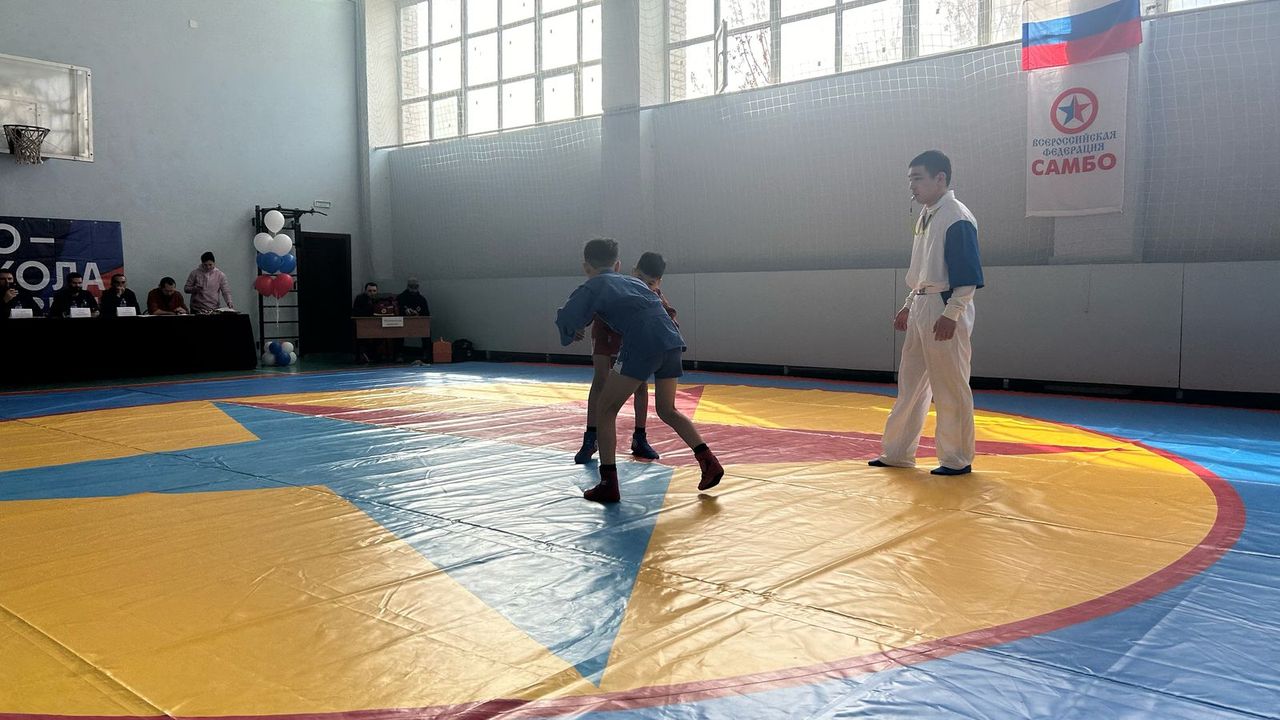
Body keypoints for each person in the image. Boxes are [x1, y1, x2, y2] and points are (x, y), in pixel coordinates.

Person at [556, 238, 723, 503]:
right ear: (618, 265)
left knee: (605, 408)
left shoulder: (593, 285)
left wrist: (571, 331)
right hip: (671, 341)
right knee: (668, 410)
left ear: (586, 267)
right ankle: (708, 461)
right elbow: (659, 308)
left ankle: (608, 483)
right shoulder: (634, 282)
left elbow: (566, 317)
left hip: (642, 343)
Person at [869, 150, 984, 476]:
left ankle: (956, 458)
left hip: (944, 305)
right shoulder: (926, 215)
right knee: (911, 384)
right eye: (910, 180)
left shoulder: (957, 217)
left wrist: (952, 313)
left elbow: (967, 275)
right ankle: (897, 452)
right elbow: (923, 270)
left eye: (918, 178)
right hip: (922, 303)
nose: (912, 186)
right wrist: (909, 304)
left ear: (940, 178)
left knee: (950, 386)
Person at [574, 252, 676, 464]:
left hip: (633, 335)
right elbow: (593, 302)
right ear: (632, 271)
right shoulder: (617, 285)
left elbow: (667, 312)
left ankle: (640, 438)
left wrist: (669, 323)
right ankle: (591, 438)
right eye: (640, 278)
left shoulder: (654, 293)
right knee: (600, 380)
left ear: (658, 282)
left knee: (640, 385)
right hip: (605, 332)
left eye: (650, 283)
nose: (644, 285)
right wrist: (578, 325)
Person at [396, 277, 430, 361]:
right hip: (403, 322)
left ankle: (426, 353)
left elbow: (426, 314)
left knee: (427, 330)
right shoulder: (400, 297)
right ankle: (398, 354)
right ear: (408, 286)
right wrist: (405, 311)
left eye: (416, 286)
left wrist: (417, 314)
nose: (414, 288)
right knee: (396, 330)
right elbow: (396, 311)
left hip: (418, 323)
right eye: (412, 286)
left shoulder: (422, 299)